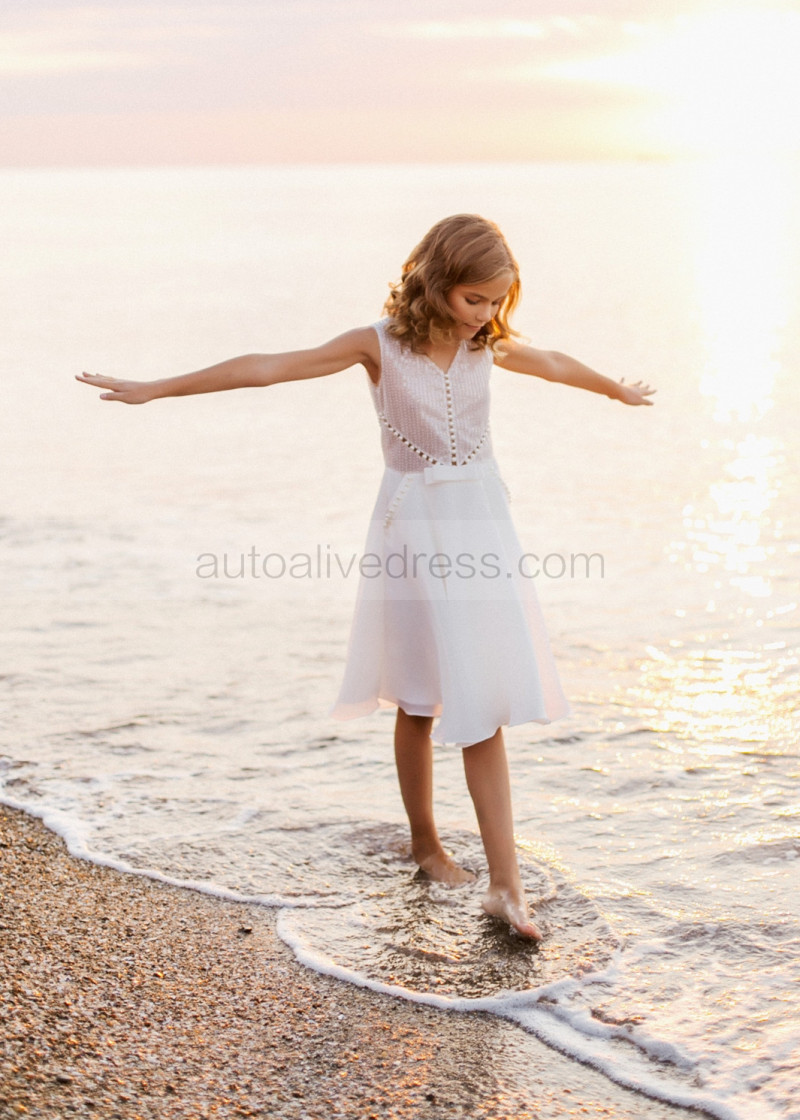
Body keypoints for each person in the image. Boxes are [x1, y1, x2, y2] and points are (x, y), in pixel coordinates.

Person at [77, 213, 654, 940]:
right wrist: (158, 388)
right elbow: (264, 366)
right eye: (474, 300)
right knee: (419, 698)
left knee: (483, 702)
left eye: (496, 303)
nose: (486, 316)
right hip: (412, 528)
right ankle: (426, 843)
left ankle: (505, 887)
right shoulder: (376, 345)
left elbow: (559, 363)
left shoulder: (490, 344)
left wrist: (615, 391)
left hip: (479, 527)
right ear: (438, 281)